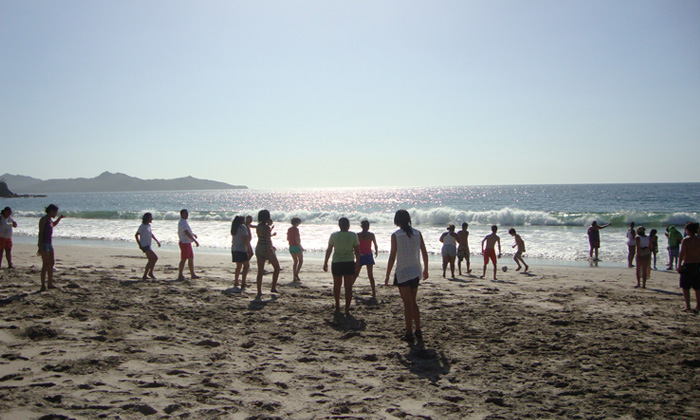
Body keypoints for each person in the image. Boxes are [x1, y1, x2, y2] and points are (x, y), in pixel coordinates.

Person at [384, 210, 429, 342]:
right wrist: (425, 269)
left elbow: (392, 256)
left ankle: (409, 331)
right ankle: (418, 329)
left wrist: (387, 274)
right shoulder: (417, 233)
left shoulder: (396, 235)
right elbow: (424, 253)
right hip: (415, 270)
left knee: (407, 304)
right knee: (413, 302)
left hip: (403, 271)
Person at [323, 217, 360, 314]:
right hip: (349, 262)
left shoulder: (334, 235)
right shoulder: (353, 235)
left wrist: (325, 262)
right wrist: (358, 262)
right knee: (348, 287)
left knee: (337, 285)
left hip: (337, 262)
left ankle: (337, 306)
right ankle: (347, 309)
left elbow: (329, 250)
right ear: (348, 225)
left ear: (339, 225)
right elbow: (357, 251)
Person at [255, 209, 281, 298]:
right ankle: (273, 287)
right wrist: (270, 253)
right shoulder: (267, 228)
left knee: (260, 271)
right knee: (277, 268)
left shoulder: (258, 226)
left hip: (258, 247)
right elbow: (268, 240)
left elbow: (263, 237)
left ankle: (259, 291)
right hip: (265, 248)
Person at [37, 204, 64, 291]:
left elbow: (53, 224)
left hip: (49, 243)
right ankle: (43, 285)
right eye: (55, 212)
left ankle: (50, 283)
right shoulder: (44, 219)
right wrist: (39, 246)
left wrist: (59, 219)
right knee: (45, 264)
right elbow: (40, 233)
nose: (56, 213)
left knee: (51, 263)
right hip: (44, 243)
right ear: (51, 211)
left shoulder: (49, 220)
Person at [677, 222, 700, 312]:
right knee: (697, 287)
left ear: (688, 230)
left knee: (685, 287)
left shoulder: (686, 240)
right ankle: (698, 305)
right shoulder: (699, 239)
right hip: (697, 264)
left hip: (688, 264)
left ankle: (688, 305)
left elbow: (682, 253)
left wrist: (679, 265)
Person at [135, 212, 161, 281]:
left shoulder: (148, 225)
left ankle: (146, 275)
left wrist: (157, 241)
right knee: (155, 258)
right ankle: (150, 273)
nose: (152, 219)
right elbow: (136, 235)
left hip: (148, 245)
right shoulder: (142, 226)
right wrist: (139, 244)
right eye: (151, 217)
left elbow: (151, 234)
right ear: (147, 218)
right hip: (144, 245)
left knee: (151, 259)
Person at [177, 209, 200, 281]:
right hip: (184, 242)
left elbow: (187, 230)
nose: (187, 215)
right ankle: (180, 274)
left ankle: (192, 274)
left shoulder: (184, 221)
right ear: (182, 214)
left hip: (187, 242)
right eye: (185, 214)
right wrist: (194, 240)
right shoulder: (182, 222)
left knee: (190, 258)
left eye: (187, 213)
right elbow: (186, 232)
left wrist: (193, 234)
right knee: (184, 259)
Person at [357, 219, 378, 298]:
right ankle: (373, 292)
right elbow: (375, 245)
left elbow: (355, 245)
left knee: (356, 274)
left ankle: (349, 288)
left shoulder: (358, 235)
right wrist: (376, 251)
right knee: (370, 275)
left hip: (361, 255)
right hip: (368, 255)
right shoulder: (371, 235)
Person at [231, 215, 252, 288]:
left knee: (238, 266)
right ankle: (243, 282)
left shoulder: (234, 228)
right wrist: (248, 248)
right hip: (241, 249)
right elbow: (245, 239)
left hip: (234, 248)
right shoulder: (243, 227)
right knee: (246, 265)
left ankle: (236, 281)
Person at [287, 217, 304, 282]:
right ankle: (296, 273)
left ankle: (294, 277)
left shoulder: (289, 229)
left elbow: (288, 238)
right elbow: (297, 239)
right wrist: (301, 247)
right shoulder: (296, 229)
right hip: (296, 246)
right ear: (297, 223)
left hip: (291, 246)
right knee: (300, 261)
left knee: (295, 262)